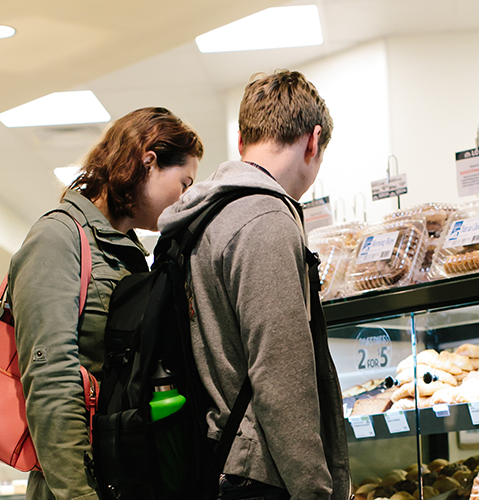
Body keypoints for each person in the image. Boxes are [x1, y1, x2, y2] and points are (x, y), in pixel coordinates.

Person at [158, 70, 351, 500]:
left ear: (243, 143)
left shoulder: (203, 219)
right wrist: (315, 490)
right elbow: (281, 374)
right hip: (261, 476)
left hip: (216, 460)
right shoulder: (265, 219)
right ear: (313, 141)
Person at [8, 107, 203, 500]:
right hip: (78, 485)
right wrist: (80, 495)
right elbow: (51, 379)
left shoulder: (126, 250)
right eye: (183, 183)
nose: (184, 198)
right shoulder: (57, 238)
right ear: (149, 161)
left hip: (123, 472)